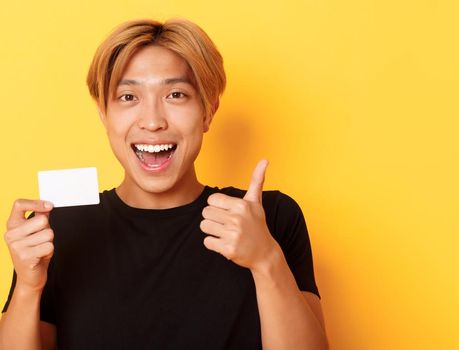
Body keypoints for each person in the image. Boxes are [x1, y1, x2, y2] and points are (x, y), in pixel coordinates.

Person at [0, 18, 328, 349]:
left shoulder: (269, 216)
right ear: (104, 114)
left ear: (208, 111)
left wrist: (266, 260)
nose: (153, 122)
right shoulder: (58, 228)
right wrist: (28, 287)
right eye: (128, 97)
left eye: (175, 94)